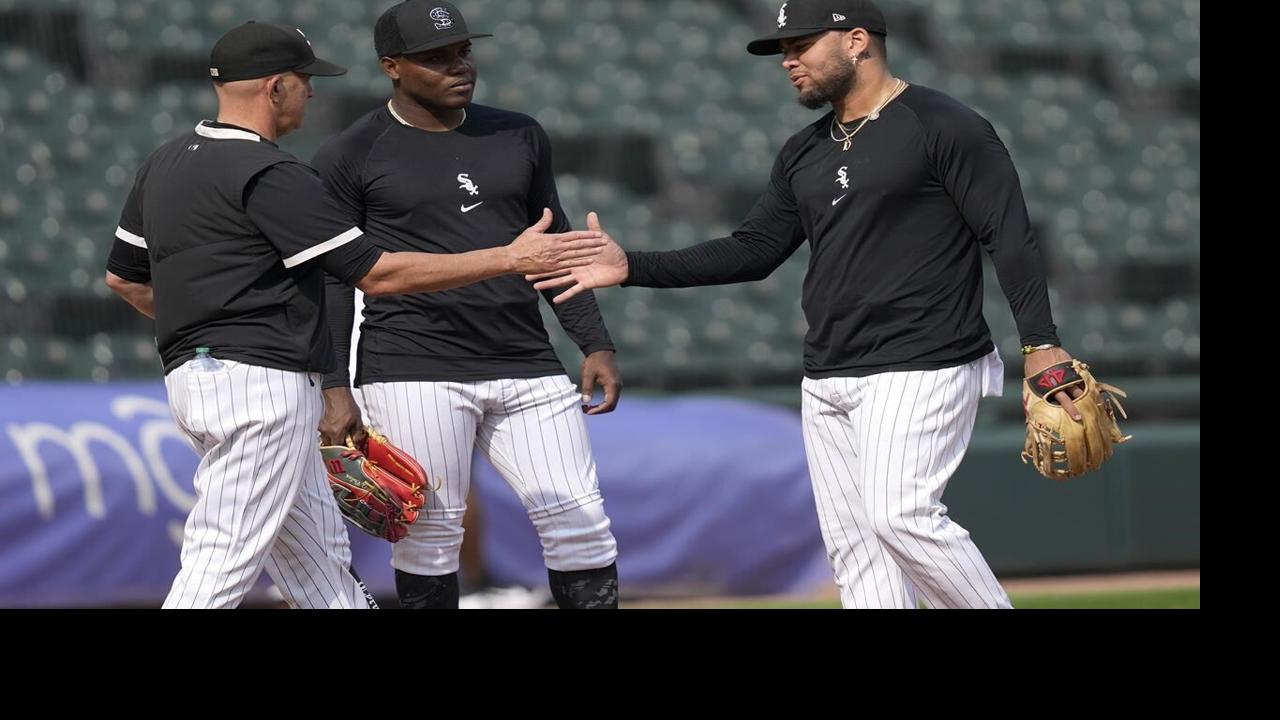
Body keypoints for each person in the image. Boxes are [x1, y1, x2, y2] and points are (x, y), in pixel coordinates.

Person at [533, 0, 1086, 609]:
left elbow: (1009, 236)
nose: (788, 61)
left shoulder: (944, 124)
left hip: (925, 358)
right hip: (828, 371)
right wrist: (631, 266)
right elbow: (753, 251)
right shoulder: (804, 151)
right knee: (857, 553)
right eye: (782, 50)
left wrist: (1041, 343)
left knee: (902, 517)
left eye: (800, 45)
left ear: (855, 42)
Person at [103, 20, 607, 609]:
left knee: (320, 568)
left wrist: (206, 330)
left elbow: (123, 278)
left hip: (196, 378)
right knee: (221, 559)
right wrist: (508, 256)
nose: (311, 93)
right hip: (262, 384)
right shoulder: (272, 172)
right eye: (304, 81)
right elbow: (375, 274)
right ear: (274, 88)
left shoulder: (166, 160)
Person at [314, 0, 623, 610]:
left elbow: (553, 244)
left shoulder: (519, 132)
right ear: (392, 67)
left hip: (526, 358)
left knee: (580, 520)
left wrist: (595, 341)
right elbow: (331, 281)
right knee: (430, 536)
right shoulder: (351, 153)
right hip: (413, 365)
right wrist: (333, 386)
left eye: (463, 51)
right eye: (436, 58)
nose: (459, 66)